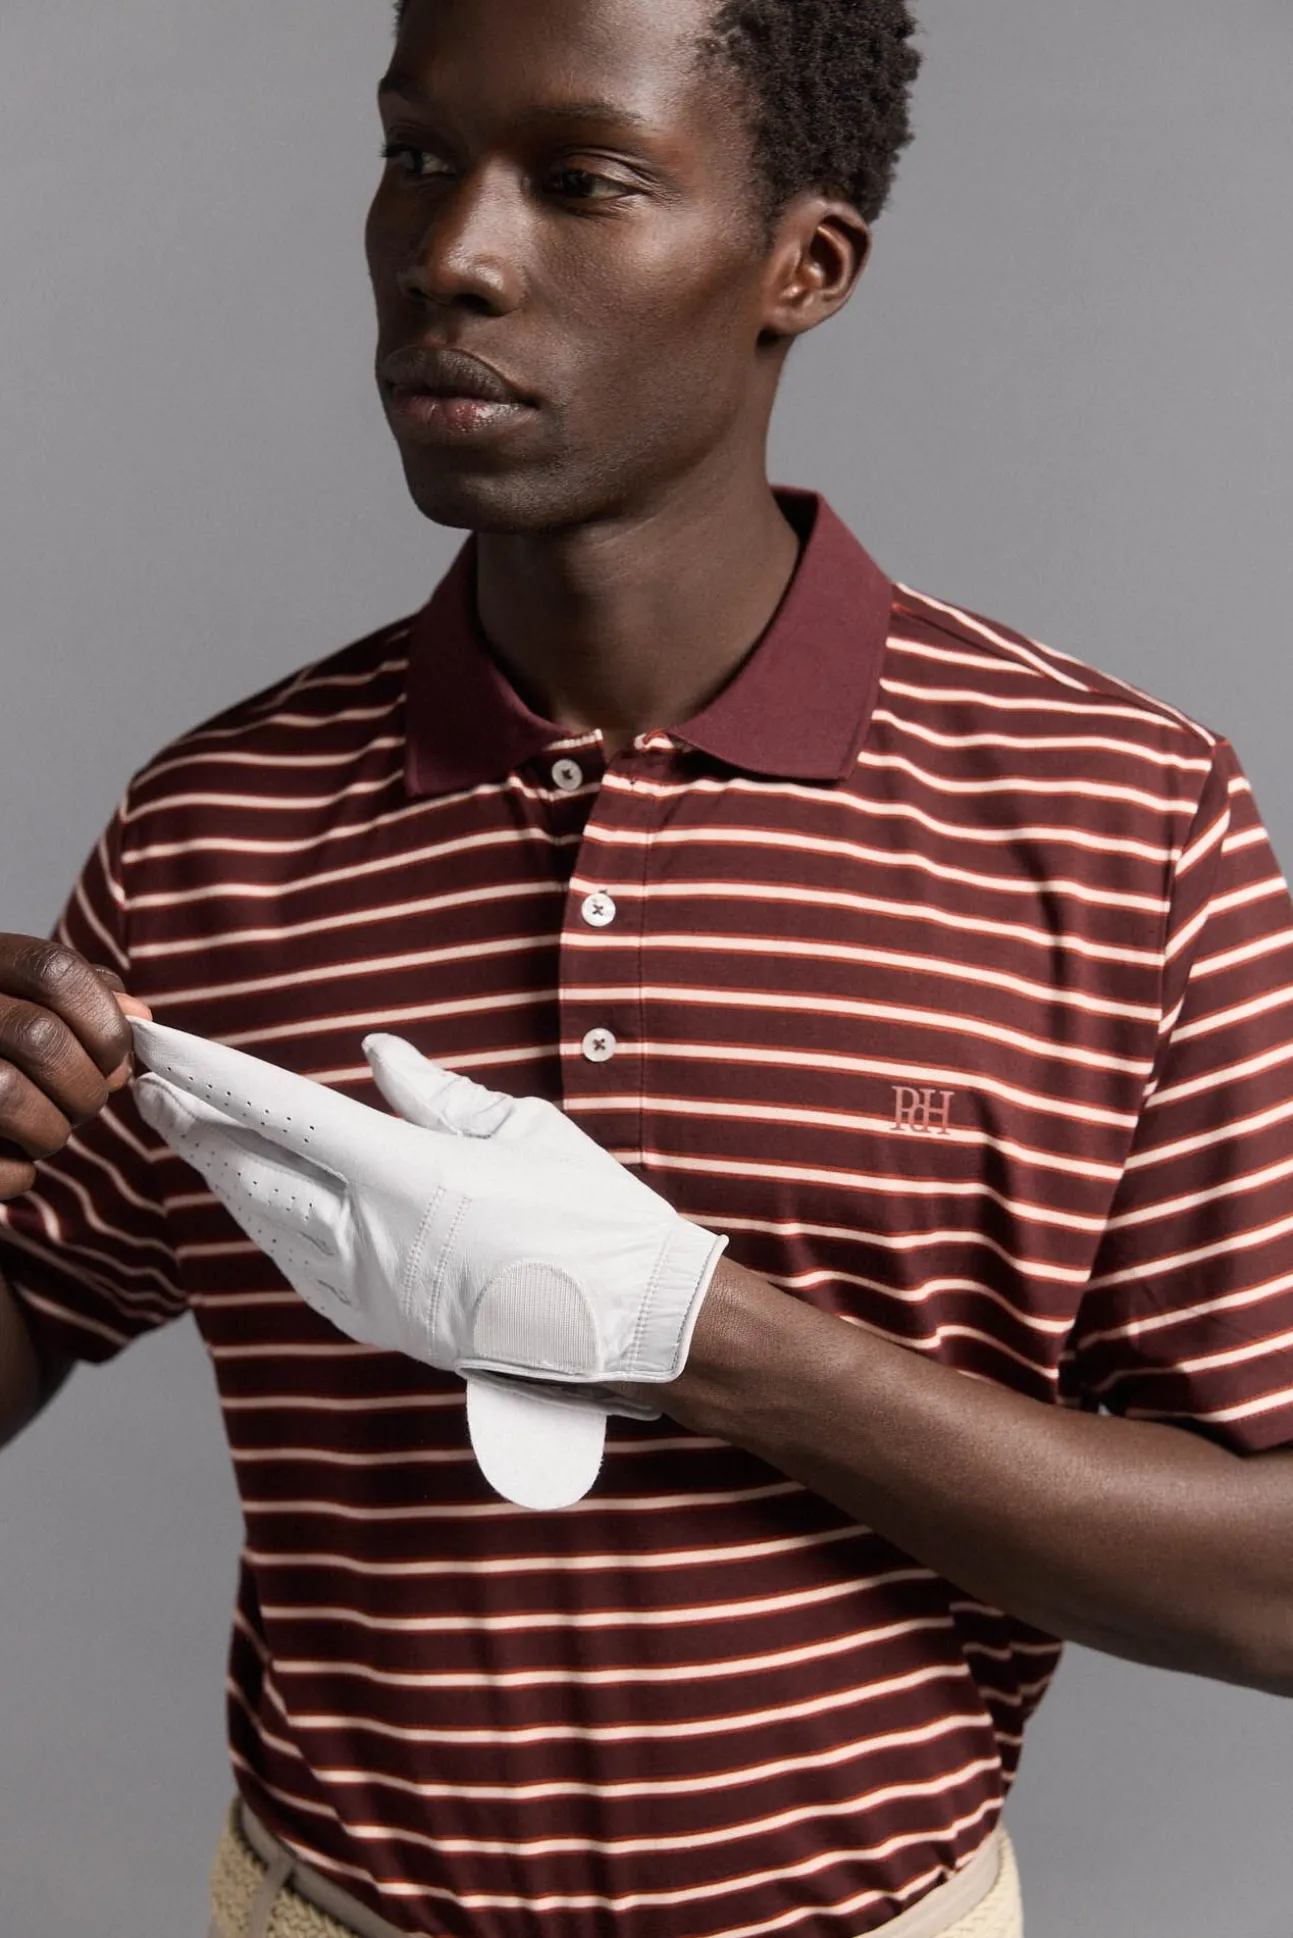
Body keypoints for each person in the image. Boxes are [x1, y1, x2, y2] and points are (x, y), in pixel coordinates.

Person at [1, 0, 1291, 1933]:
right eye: (415, 156)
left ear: (805, 267)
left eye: (583, 179)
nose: (453, 253)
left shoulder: (1123, 817)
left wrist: (689, 1328)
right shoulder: (217, 827)